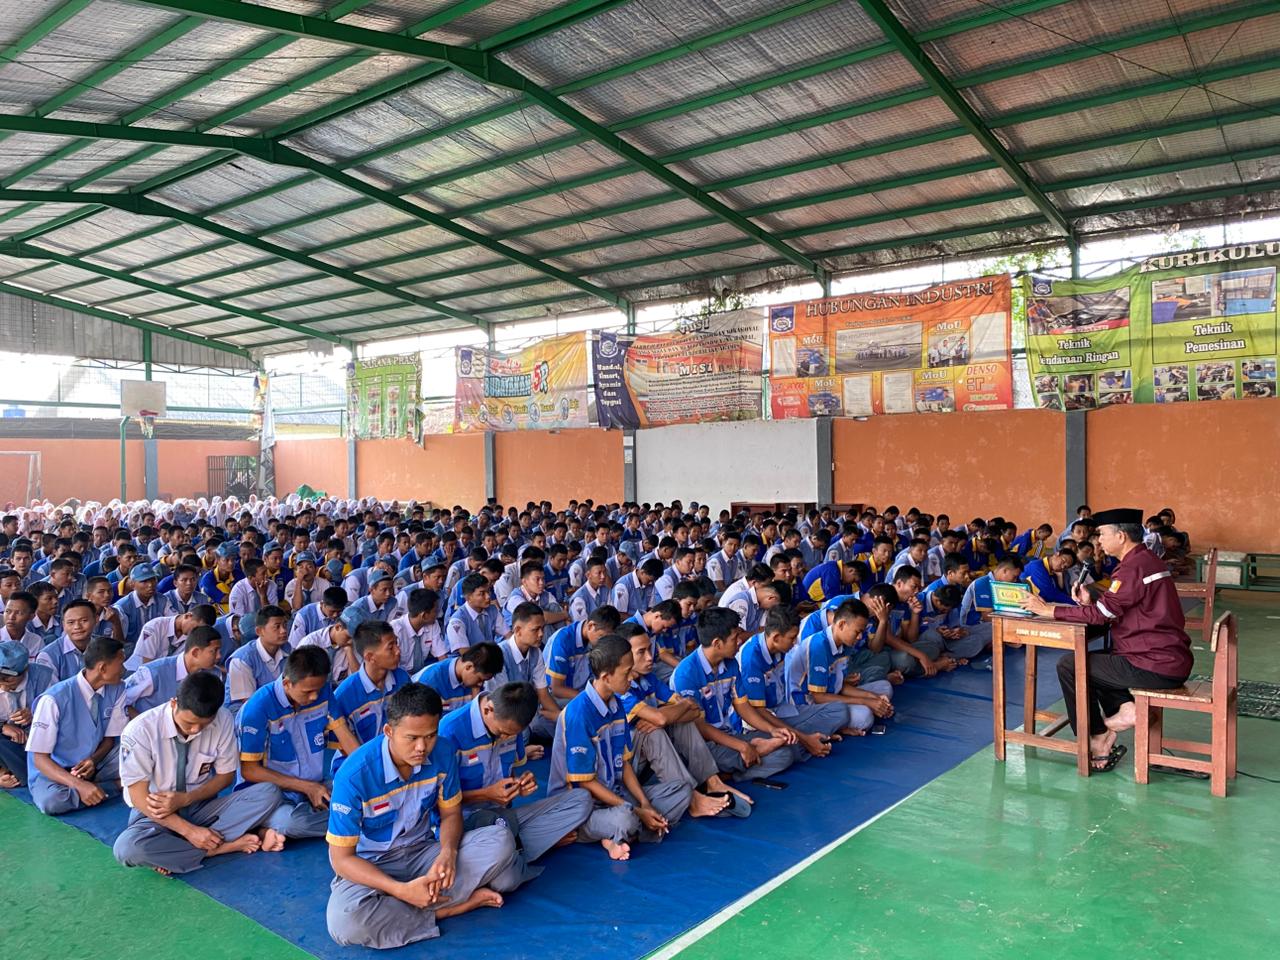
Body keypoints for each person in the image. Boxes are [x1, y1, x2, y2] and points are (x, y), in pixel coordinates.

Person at [325, 683, 521, 949]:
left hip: (423, 853)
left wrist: (448, 853)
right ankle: (445, 909)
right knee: (345, 922)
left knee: (501, 840)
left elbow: (451, 814)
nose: (422, 747)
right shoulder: (353, 776)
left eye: (430, 736)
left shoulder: (443, 752)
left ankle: (407, 908)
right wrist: (400, 890)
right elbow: (341, 860)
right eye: (412, 738)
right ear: (389, 731)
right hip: (373, 864)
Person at [1021, 508, 1193, 773]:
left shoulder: (1133, 567)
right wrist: (1093, 600)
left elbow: (1102, 615)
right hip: (1165, 657)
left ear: (1121, 536)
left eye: (1102, 534)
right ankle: (1124, 710)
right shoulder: (1145, 560)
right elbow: (1119, 605)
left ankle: (1096, 736)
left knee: (1070, 665)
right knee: (1100, 660)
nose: (1098, 541)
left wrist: (1049, 611)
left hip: (1155, 664)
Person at [113, 672, 284, 875]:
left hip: (200, 806)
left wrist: (186, 799)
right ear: (174, 703)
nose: (195, 730)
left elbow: (226, 776)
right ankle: (218, 848)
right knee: (127, 848)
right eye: (189, 723)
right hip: (157, 815)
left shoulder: (223, 719)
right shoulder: (140, 730)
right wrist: (189, 831)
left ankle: (175, 852)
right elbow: (139, 798)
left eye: (203, 725)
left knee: (269, 792)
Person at [548, 634, 691, 861]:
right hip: (583, 805)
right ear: (606, 677)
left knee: (682, 791)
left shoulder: (616, 706)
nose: (632, 677)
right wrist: (636, 811)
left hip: (615, 794)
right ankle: (620, 832)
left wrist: (644, 803)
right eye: (626, 673)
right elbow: (585, 782)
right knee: (626, 819)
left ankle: (618, 835)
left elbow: (623, 763)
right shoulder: (578, 714)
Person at [438, 682, 593, 883]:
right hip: (464, 823)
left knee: (581, 799)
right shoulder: (450, 731)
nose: (506, 737)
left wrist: (518, 784)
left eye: (512, 734)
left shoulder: (512, 728)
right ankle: (521, 848)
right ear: (488, 709)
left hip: (503, 818)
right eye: (502, 732)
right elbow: (439, 803)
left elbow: (508, 773)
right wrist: (486, 794)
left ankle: (512, 852)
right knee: (505, 880)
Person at [236, 646, 361, 842]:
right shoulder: (258, 708)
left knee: (358, 793)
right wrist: (307, 788)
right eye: (308, 691)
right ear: (287, 683)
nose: (314, 697)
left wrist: (368, 775)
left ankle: (349, 819)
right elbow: (250, 770)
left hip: (316, 784)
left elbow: (345, 737)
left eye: (318, 689)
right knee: (293, 824)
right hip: (273, 795)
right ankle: (354, 823)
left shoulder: (324, 693)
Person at [617, 627, 746, 817]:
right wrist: (667, 714)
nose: (650, 657)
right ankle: (693, 799)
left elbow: (693, 711)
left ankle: (713, 782)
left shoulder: (648, 679)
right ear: (625, 657)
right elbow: (663, 718)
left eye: (650, 649)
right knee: (653, 731)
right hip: (625, 767)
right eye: (641, 652)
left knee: (680, 722)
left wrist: (665, 715)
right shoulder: (620, 689)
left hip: (648, 759)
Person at [671, 607, 795, 782]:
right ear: (717, 643)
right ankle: (736, 763)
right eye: (735, 638)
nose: (740, 641)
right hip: (702, 745)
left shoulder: (730, 664)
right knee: (730, 754)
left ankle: (726, 773)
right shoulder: (686, 674)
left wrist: (771, 730)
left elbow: (743, 706)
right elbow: (699, 727)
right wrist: (742, 746)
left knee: (786, 752)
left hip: (729, 736)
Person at [25, 634, 127, 815]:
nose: (124, 669)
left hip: (95, 763)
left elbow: (109, 741)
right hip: (55, 772)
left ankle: (92, 789)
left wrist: (93, 760)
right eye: (121, 663)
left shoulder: (118, 688)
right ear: (103, 668)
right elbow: (40, 759)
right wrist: (78, 784)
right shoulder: (54, 699)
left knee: (141, 753)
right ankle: (115, 786)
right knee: (51, 802)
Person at [737, 608, 846, 752]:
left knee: (839, 710)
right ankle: (805, 740)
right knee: (784, 755)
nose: (795, 643)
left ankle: (803, 739)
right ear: (776, 638)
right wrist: (804, 738)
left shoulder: (781, 649)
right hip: (761, 721)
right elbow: (759, 712)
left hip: (783, 711)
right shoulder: (751, 658)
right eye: (792, 638)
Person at [786, 598, 894, 736]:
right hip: (807, 705)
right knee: (864, 717)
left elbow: (839, 686)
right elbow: (818, 697)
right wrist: (866, 702)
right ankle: (832, 725)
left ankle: (848, 718)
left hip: (831, 696)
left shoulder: (846, 644)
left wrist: (874, 698)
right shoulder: (818, 646)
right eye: (857, 632)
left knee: (885, 688)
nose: (860, 637)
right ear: (842, 624)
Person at [329, 620, 410, 775]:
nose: (398, 651)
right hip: (357, 766)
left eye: (397, 644)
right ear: (370, 657)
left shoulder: (402, 679)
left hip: (394, 758)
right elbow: (345, 749)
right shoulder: (344, 696)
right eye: (390, 647)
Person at [123, 625, 224, 716]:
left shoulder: (214, 675)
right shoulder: (154, 672)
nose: (219, 656)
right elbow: (122, 700)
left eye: (219, 650)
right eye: (214, 651)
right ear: (195, 652)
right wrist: (143, 724)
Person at [0, 640, 55, 788]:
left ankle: (18, 773)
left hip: (34, 739)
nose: (3, 684)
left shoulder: (45, 677)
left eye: (7, 679)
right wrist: (3, 727)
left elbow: (61, 713)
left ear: (25, 670)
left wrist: (36, 713)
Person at [224, 604, 290, 714]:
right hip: (244, 714)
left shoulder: (288, 649)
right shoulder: (241, 659)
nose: (283, 631)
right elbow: (249, 703)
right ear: (259, 631)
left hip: (277, 709)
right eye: (277, 627)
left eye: (285, 625)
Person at [413, 643, 504, 714]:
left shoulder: (472, 680)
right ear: (468, 667)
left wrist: (476, 697)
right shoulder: (429, 681)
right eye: (480, 679)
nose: (481, 684)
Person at [34, 598, 97, 681]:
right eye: (71, 622)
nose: (77, 627)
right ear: (63, 625)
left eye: (83, 620)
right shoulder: (48, 655)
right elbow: (50, 688)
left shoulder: (106, 648)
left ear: (96, 620)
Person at [446, 573, 506, 654]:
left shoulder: (492, 610)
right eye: (482, 593)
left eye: (488, 591)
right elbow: (465, 654)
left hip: (486, 656)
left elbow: (508, 635)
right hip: (464, 659)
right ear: (468, 597)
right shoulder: (457, 621)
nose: (488, 596)